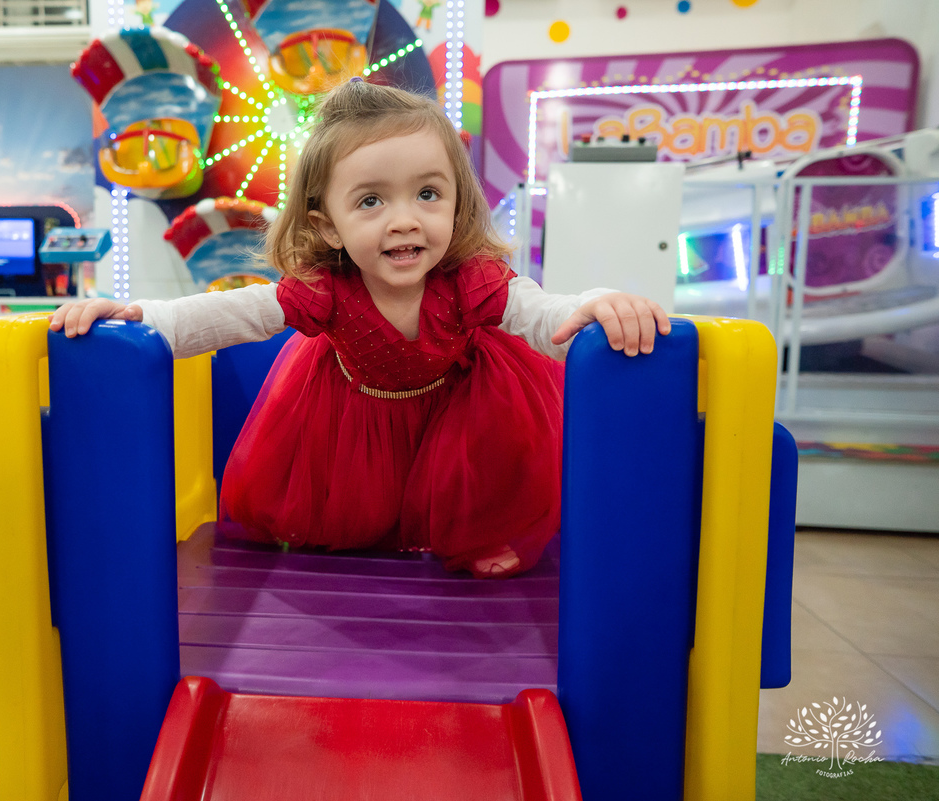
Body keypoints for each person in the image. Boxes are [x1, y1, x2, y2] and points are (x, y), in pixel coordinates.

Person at [51, 79, 670, 578]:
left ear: (458, 204)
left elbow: (543, 315)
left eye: (428, 194)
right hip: (351, 420)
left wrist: (595, 303)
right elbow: (228, 315)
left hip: (463, 414)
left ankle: (482, 532)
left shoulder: (473, 283)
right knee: (347, 522)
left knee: (483, 481)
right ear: (327, 226)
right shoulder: (326, 290)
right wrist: (140, 316)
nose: (405, 220)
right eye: (371, 201)